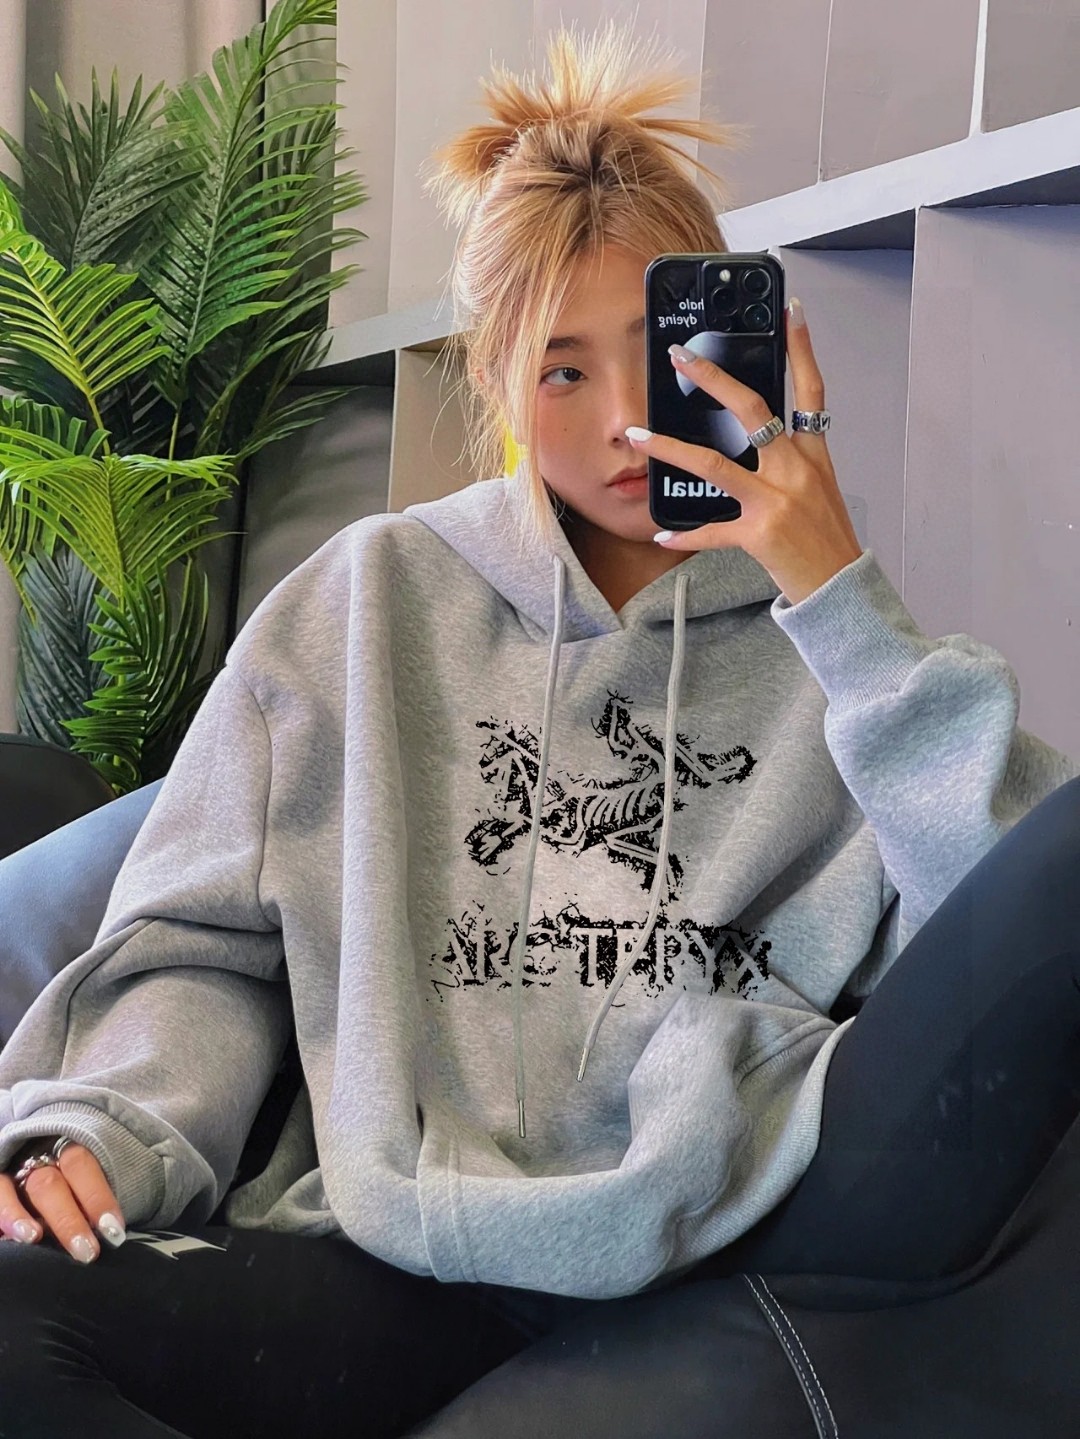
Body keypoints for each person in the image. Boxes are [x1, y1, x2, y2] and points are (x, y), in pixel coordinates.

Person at [0, 20, 1078, 1438]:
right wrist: (108, 1126)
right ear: (498, 384)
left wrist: (835, 595)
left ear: (745, 348)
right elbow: (205, 939)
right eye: (564, 372)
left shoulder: (843, 645)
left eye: (661, 353)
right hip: (392, 1247)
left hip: (733, 1222)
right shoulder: (366, 601)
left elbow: (1003, 968)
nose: (627, 423)